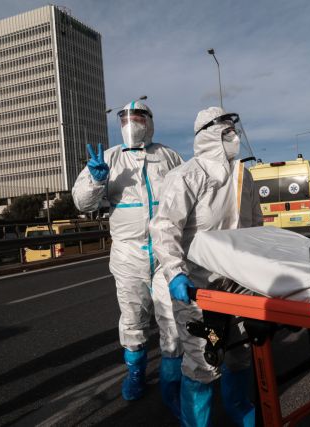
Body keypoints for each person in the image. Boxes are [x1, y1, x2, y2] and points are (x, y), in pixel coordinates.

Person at [150, 106, 262, 427]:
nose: (234, 137)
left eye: (234, 131)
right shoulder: (186, 176)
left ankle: (239, 407)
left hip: (236, 284)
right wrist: (175, 273)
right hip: (197, 289)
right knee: (203, 360)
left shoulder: (243, 177)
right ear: (209, 136)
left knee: (239, 353)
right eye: (226, 132)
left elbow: (255, 226)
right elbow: (164, 228)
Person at [71, 101, 184, 418]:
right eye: (125, 119)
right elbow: (82, 203)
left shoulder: (169, 156)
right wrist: (95, 180)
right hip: (127, 254)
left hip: (166, 252)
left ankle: (171, 382)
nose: (131, 124)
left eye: (137, 118)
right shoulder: (109, 158)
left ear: (150, 122)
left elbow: (188, 195)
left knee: (172, 319)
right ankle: (136, 374)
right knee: (133, 318)